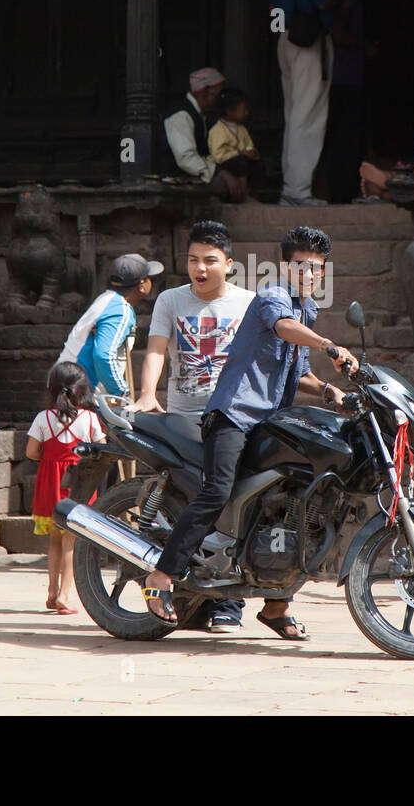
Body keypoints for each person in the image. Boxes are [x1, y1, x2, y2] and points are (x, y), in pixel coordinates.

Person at [140, 226, 357, 639]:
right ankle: (162, 577)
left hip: (267, 421)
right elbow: (282, 328)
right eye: (299, 266)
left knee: (290, 496)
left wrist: (332, 391)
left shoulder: (306, 311)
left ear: (324, 274)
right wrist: (330, 345)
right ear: (284, 267)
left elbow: (300, 373)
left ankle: (276, 604)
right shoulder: (273, 297)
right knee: (217, 491)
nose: (307, 274)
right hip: (233, 415)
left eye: (315, 269)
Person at [131, 220, 255, 633]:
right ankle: (192, 596)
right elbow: (156, 351)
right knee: (200, 499)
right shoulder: (170, 300)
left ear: (229, 264)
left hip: (232, 417)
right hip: (184, 417)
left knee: (236, 500)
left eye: (209, 261)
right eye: (192, 260)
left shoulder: (249, 304)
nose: (199, 269)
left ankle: (228, 604)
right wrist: (148, 393)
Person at [26, 361, 105, 615]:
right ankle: (64, 596)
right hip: (77, 486)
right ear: (82, 390)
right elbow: (101, 450)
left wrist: (50, 459)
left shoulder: (43, 418)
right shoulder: (90, 419)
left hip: (49, 485)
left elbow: (31, 452)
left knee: (55, 541)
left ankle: (51, 591)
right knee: (72, 541)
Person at [269, 0, 332, 206]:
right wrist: (334, 9)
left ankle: (290, 187)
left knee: (294, 112)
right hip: (306, 37)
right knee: (307, 114)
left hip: (284, 36)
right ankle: (298, 191)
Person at [318, 0, 377, 204]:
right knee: (343, 135)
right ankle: (340, 192)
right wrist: (363, 45)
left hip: (350, 74)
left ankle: (346, 189)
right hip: (341, 74)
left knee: (349, 135)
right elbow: (337, 32)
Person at [58, 253, 163, 399]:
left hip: (68, 383)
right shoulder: (120, 310)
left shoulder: (107, 300)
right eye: (149, 277)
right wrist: (121, 392)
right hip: (80, 390)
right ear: (142, 285)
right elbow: (103, 356)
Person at [163, 67, 249, 203]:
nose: (222, 100)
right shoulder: (181, 115)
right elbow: (186, 158)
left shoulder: (201, 116)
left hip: (193, 173)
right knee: (223, 186)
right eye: (219, 95)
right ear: (205, 91)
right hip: (174, 176)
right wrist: (222, 173)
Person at [207, 88, 264, 203]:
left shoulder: (241, 129)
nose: (246, 112)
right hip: (224, 163)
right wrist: (239, 153)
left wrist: (252, 153)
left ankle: (253, 190)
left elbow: (249, 146)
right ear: (229, 111)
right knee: (241, 161)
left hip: (240, 161)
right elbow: (218, 156)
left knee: (259, 165)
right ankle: (242, 193)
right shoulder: (218, 130)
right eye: (243, 109)